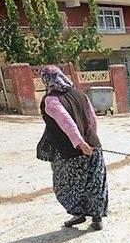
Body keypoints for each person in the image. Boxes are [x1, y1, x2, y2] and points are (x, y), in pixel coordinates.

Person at [36, 66, 108, 231]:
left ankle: (80, 213)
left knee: (66, 186)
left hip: (70, 152)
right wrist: (89, 142)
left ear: (46, 81)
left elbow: (66, 121)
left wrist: (81, 144)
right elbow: (92, 120)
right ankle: (95, 218)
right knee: (94, 182)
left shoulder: (51, 100)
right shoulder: (80, 94)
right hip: (93, 146)